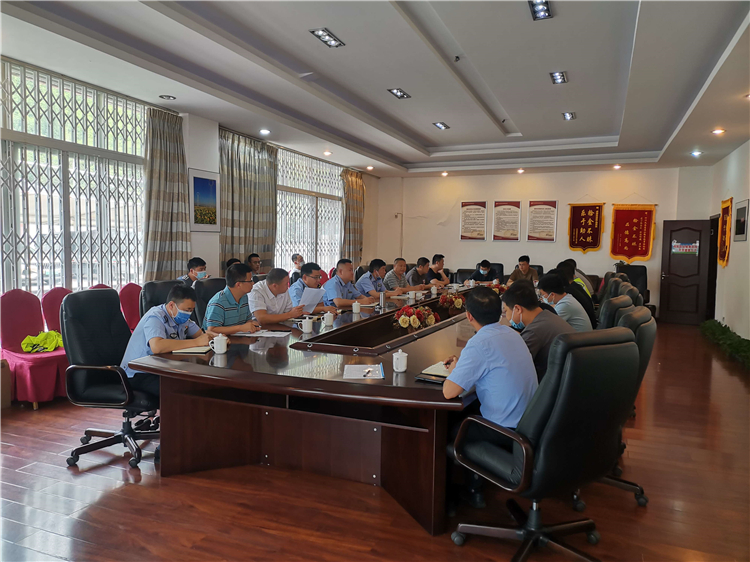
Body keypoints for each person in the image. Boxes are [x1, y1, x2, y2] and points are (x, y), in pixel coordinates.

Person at [442, 287, 538, 428]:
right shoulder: (513, 333)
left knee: (449, 427)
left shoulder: (479, 343)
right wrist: (461, 365)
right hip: (529, 424)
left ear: (469, 316)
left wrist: (454, 371)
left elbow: (449, 392)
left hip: (503, 430)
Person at [121, 284, 217, 397]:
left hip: (162, 368)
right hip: (139, 373)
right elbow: (157, 347)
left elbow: (201, 335)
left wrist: (218, 338)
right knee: (182, 391)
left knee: (198, 384)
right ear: (171, 305)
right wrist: (196, 343)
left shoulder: (181, 318)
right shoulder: (155, 317)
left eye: (191, 310)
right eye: (187, 310)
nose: (188, 314)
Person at [501, 280, 575, 382]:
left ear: (517, 309)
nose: (505, 316)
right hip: (568, 380)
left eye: (505, 311)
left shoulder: (534, 331)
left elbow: (513, 366)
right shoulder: (547, 315)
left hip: (551, 383)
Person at [203, 263, 260, 334]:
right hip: (219, 340)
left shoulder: (244, 297)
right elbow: (211, 330)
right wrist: (240, 328)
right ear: (238, 284)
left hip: (238, 338)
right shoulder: (218, 302)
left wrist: (252, 325)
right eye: (250, 280)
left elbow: (248, 320)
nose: (253, 283)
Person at [551, 264, 597, 329]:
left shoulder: (568, 294)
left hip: (585, 332)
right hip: (591, 324)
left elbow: (552, 325)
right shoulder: (574, 287)